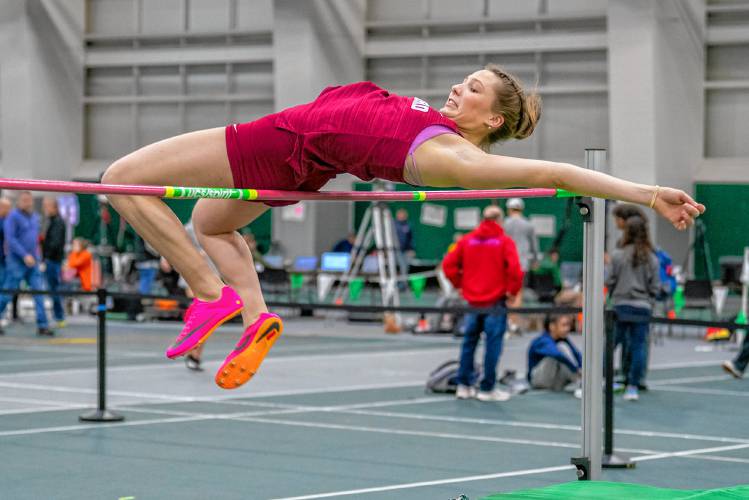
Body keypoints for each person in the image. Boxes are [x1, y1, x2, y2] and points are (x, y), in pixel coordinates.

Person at [101, 64, 704, 390]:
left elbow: (557, 171)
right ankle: (255, 316)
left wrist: (648, 194)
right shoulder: (439, 130)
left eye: (471, 89)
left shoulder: (457, 159)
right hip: (300, 157)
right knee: (211, 223)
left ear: (490, 117)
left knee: (120, 179)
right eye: (464, 78)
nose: (456, 87)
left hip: (275, 143)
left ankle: (208, 294)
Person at [442, 205, 523, 401]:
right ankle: (487, 388)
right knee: (492, 346)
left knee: (469, 343)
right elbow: (515, 270)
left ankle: (464, 385)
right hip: (495, 302)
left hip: (472, 302)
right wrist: (512, 292)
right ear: (500, 220)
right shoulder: (505, 242)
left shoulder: (467, 240)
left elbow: (448, 265)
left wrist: (460, 285)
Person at [606, 216, 661, 402]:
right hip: (642, 308)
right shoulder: (652, 258)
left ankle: (602, 381)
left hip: (620, 307)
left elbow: (610, 281)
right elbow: (655, 287)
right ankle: (632, 385)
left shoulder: (617, 255)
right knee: (639, 347)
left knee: (610, 345)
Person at [0, 192, 52, 336]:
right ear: (18, 201)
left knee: (38, 293)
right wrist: (24, 255)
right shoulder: (12, 217)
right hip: (16, 261)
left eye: (29, 200)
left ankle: (43, 325)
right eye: (24, 200)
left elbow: (35, 240)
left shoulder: (35, 217)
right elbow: (10, 239)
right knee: (7, 293)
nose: (27, 202)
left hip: (33, 261)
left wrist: (38, 257)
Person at [527, 314, 582, 397]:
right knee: (561, 350)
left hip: (554, 383)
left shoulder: (563, 339)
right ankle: (581, 382)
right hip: (539, 381)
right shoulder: (542, 341)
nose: (567, 329)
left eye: (568, 325)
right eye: (564, 325)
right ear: (552, 326)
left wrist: (582, 369)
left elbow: (577, 354)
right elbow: (557, 355)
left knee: (564, 351)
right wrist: (575, 370)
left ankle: (584, 382)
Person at [41, 197, 66, 328]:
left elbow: (55, 244)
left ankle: (59, 316)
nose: (45, 209)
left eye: (47, 206)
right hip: (52, 260)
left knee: (54, 290)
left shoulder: (57, 222)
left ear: (54, 207)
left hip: (53, 261)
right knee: (53, 289)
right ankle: (59, 316)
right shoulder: (52, 221)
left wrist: (46, 258)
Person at [394, 208, 414, 288]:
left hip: (405, 250)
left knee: (405, 267)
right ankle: (397, 283)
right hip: (395, 250)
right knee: (398, 267)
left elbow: (411, 238)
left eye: (403, 215)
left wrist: (411, 249)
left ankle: (403, 284)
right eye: (400, 215)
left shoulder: (408, 225)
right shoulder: (393, 224)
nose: (401, 216)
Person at [0, 198, 12, 288]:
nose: (8, 210)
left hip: (8, 257)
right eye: (5, 207)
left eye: (9, 208)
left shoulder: (10, 221)